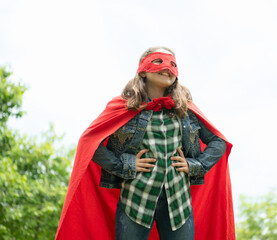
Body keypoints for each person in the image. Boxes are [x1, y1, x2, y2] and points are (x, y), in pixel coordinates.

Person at [55, 47, 235, 240]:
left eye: (173, 64)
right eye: (159, 61)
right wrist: (124, 166)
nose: (167, 68)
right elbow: (89, 141)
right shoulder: (124, 106)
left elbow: (219, 142)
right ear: (142, 70)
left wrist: (195, 165)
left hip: (179, 203)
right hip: (136, 200)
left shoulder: (185, 110)